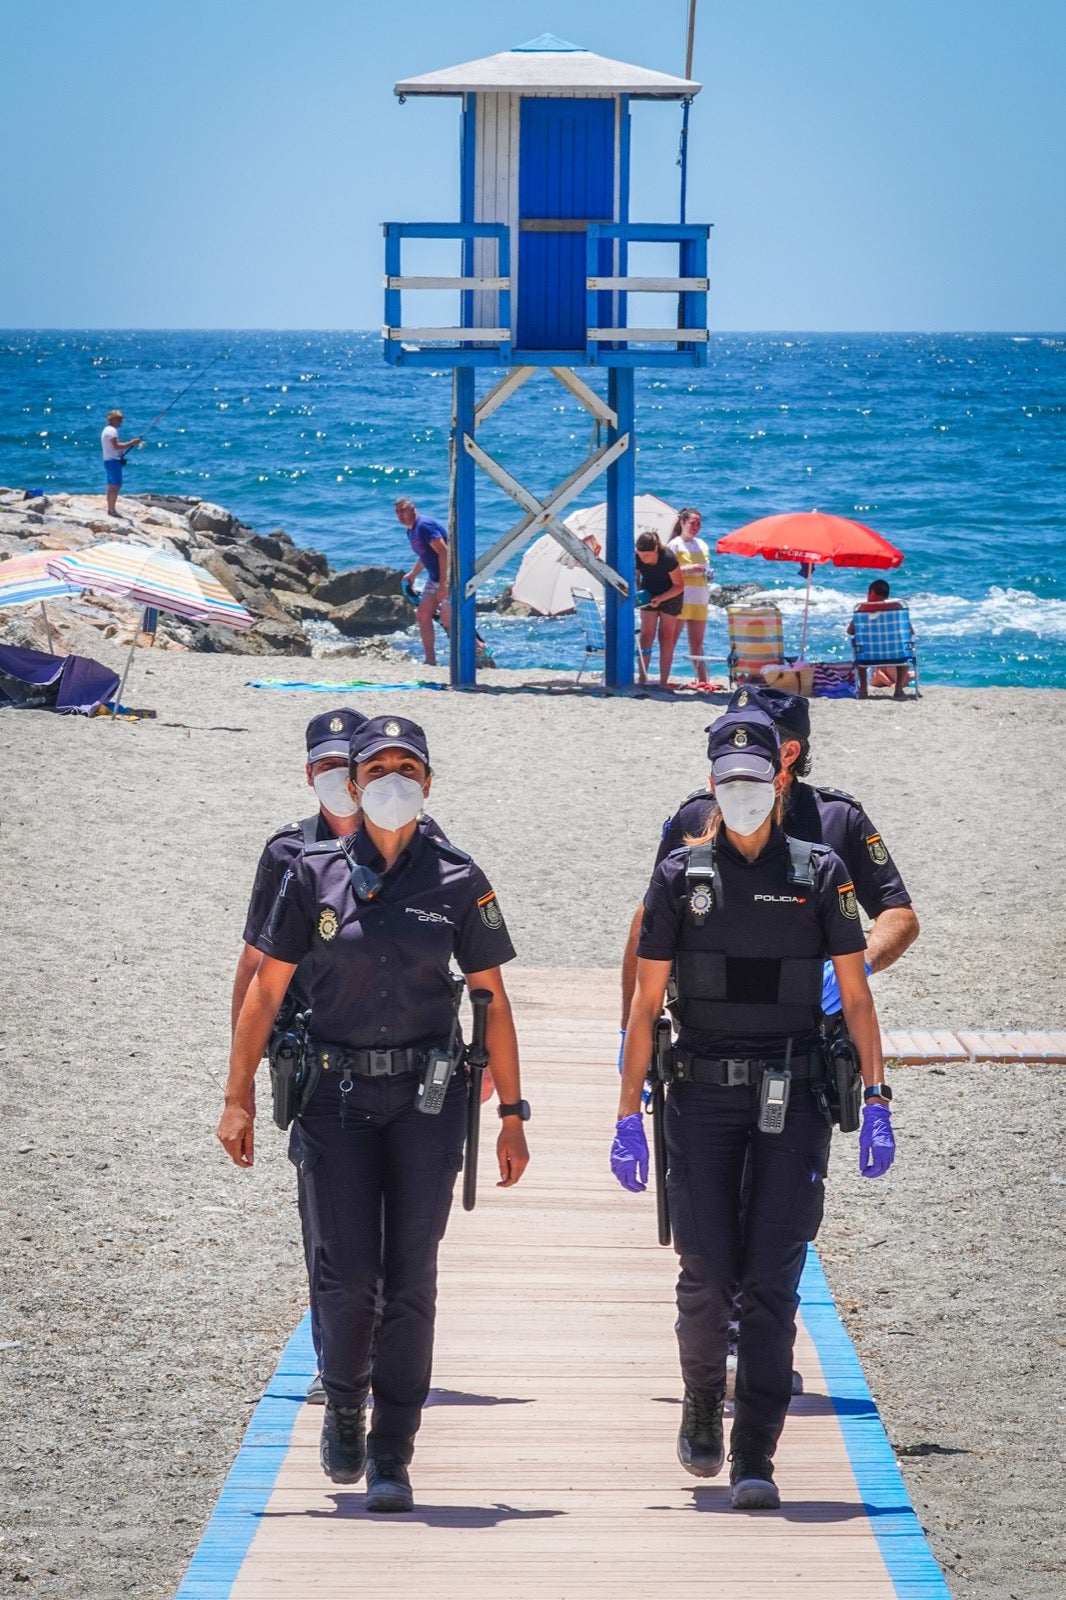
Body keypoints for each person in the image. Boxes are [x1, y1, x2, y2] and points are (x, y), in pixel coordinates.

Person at [218, 715, 530, 1513]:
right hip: (335, 1098)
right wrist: (237, 1093)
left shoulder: (460, 877)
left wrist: (513, 1112)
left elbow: (492, 996)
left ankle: (393, 1448)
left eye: (408, 766)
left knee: (410, 1277)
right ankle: (345, 1410)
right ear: (352, 786)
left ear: (429, 781)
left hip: (427, 1102)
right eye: (377, 767)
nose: (393, 779)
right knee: (347, 1272)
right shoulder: (311, 872)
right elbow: (266, 987)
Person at [613, 708, 896, 1510]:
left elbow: (856, 993)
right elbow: (645, 1005)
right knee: (705, 1274)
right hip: (700, 1094)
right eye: (726, 779)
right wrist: (626, 1110)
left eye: (755, 778)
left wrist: (877, 1099)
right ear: (712, 784)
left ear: (780, 779)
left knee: (773, 1280)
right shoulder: (679, 876)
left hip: (794, 1094)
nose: (741, 791)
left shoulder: (822, 870)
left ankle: (755, 1456)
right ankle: (703, 1400)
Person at [620, 685, 919, 1034]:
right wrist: (631, 1030)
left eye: (753, 735)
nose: (734, 744)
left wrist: (860, 965)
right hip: (710, 1032)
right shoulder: (697, 815)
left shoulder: (838, 819)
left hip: (809, 1033)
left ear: (788, 753)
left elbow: (899, 915)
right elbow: (649, 919)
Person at [395, 497, 452, 665]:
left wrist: (444, 585)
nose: (401, 515)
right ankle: (430, 660)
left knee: (448, 621)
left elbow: (444, 553)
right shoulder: (411, 531)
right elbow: (425, 555)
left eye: (403, 510)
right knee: (422, 614)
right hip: (435, 578)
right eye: (398, 512)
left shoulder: (424, 526)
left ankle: (479, 651)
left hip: (449, 578)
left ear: (413, 509)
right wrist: (413, 574)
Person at [847, 579, 912, 699]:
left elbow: (850, 631)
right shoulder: (898, 607)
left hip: (868, 656)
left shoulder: (862, 608)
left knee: (859, 650)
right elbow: (910, 632)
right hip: (896, 655)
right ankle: (898, 690)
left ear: (871, 592)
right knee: (907, 651)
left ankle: (863, 690)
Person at [668, 507, 712, 685]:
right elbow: (669, 572)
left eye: (699, 524)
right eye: (692, 523)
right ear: (682, 523)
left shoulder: (702, 544)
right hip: (681, 597)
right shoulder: (675, 544)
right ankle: (664, 677)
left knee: (697, 642)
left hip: (699, 597)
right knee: (671, 640)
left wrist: (708, 573)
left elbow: (706, 568)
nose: (696, 527)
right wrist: (690, 569)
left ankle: (703, 680)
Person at [635, 531, 684, 687]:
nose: (643, 560)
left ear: (655, 549)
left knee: (665, 636)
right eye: (641, 556)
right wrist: (639, 591)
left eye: (646, 556)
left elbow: (680, 585)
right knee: (646, 634)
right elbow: (634, 577)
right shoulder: (638, 558)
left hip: (671, 594)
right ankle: (642, 678)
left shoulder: (668, 559)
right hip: (649, 593)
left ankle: (663, 681)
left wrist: (661, 598)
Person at [101, 409, 143, 517]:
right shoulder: (112, 431)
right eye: (119, 419)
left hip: (108, 461)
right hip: (113, 462)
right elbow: (116, 446)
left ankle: (110, 509)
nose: (121, 422)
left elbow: (114, 447)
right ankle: (112, 510)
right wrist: (132, 443)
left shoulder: (106, 430)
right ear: (113, 419)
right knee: (116, 486)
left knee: (111, 486)